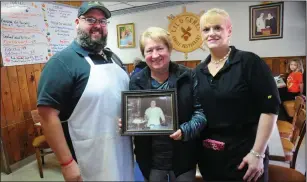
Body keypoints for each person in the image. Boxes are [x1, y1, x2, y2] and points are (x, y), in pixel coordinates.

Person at [36, 1, 134, 181]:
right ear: (77, 23)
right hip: (88, 156)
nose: (97, 25)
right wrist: (66, 163)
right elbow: (46, 116)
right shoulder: (61, 63)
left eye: (103, 21)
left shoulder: (114, 59)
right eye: (90, 19)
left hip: (122, 150)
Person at [195, 8, 280, 182]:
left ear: (229, 31)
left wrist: (257, 153)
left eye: (217, 28)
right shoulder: (197, 72)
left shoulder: (249, 62)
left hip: (246, 155)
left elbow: (270, 108)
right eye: (206, 29)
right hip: (210, 159)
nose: (211, 33)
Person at [122, 27, 207, 182]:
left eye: (160, 48)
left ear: (169, 49)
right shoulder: (137, 80)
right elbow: (136, 114)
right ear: (144, 54)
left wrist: (185, 130)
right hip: (151, 159)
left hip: (183, 156)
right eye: (149, 51)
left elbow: (200, 112)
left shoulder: (188, 76)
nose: (155, 55)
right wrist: (128, 122)